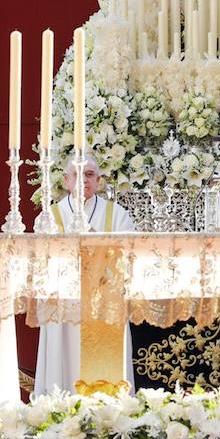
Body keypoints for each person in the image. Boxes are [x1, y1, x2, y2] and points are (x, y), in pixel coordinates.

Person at [33, 159, 136, 395]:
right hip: (64, 306)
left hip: (104, 305)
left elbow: (127, 258)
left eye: (90, 174)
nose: (84, 180)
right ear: (66, 181)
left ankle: (110, 411)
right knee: (64, 365)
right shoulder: (49, 217)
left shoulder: (117, 215)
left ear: (99, 181)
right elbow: (42, 262)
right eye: (77, 175)